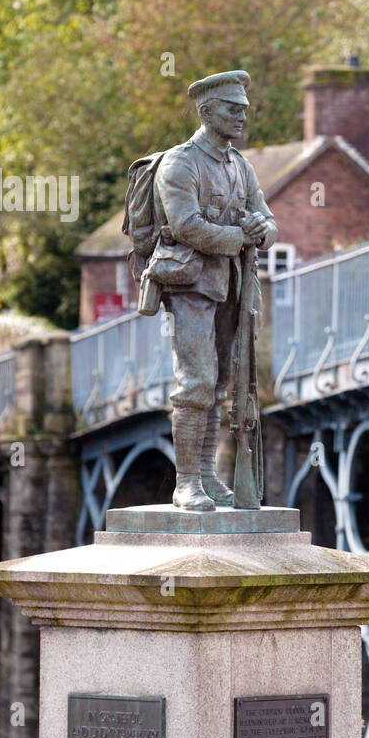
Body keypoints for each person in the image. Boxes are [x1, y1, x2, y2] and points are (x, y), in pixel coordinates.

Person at [153, 70, 277, 510]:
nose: (242, 116)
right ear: (207, 112)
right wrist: (240, 237)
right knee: (197, 383)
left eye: (244, 108)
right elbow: (186, 226)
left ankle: (207, 474)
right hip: (192, 285)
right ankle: (185, 482)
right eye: (232, 108)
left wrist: (263, 229)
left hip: (233, 287)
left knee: (224, 383)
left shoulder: (240, 166)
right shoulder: (181, 163)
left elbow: (267, 218)